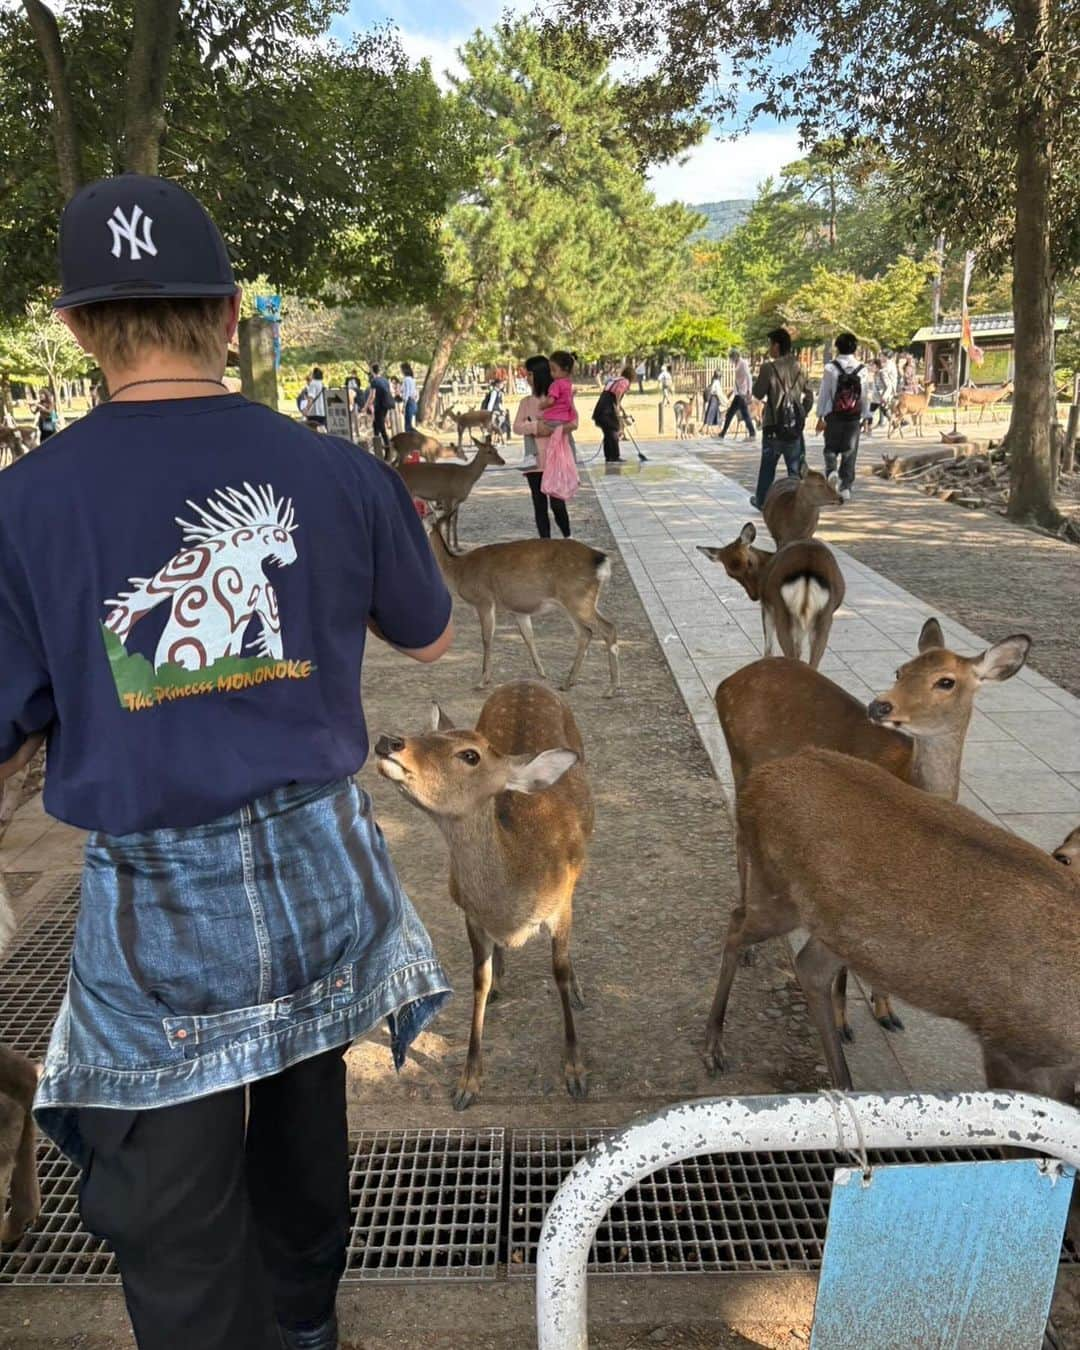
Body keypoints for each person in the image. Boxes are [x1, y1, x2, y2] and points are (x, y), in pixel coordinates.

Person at [11, 174, 454, 1350]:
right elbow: (434, 629)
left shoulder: (23, 506)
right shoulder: (342, 470)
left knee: (171, 1205)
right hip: (324, 874)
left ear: (74, 328)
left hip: (159, 907)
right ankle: (307, 1326)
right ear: (226, 312)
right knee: (306, 1118)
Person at [513, 355, 573, 538]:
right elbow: (516, 427)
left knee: (557, 503)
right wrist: (535, 427)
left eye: (529, 374)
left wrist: (552, 427)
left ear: (539, 375)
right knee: (539, 505)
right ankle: (545, 542)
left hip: (555, 461)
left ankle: (567, 538)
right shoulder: (526, 403)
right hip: (534, 463)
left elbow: (570, 424)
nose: (526, 378)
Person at [750, 327, 808, 509]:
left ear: (777, 345)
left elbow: (757, 393)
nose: (769, 349)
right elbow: (809, 395)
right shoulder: (801, 367)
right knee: (794, 469)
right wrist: (801, 413)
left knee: (768, 468)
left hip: (773, 426)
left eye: (770, 344)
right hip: (794, 427)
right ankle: (798, 503)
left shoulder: (768, 368)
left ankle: (762, 501)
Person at [816, 331, 871, 502]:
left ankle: (831, 471)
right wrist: (866, 415)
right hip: (853, 418)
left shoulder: (830, 368)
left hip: (834, 416)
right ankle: (846, 486)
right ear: (855, 348)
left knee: (830, 448)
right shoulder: (862, 370)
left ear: (837, 347)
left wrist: (820, 415)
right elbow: (865, 395)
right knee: (850, 452)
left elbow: (824, 394)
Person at [592, 364, 633, 462]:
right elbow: (617, 394)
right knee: (614, 430)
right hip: (607, 409)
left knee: (608, 433)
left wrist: (623, 411)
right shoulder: (625, 381)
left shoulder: (615, 379)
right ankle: (615, 456)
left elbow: (613, 396)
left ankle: (609, 456)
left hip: (601, 407)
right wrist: (617, 409)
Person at [719, 348, 755, 440]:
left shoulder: (743, 363)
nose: (730, 359)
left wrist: (749, 390)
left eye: (731, 357)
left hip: (742, 393)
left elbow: (748, 377)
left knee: (733, 413)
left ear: (735, 356)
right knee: (740, 413)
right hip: (738, 393)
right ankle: (752, 433)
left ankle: (723, 433)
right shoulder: (737, 363)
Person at [364, 362, 393, 458]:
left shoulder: (374, 381)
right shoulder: (385, 380)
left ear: (372, 371)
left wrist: (365, 406)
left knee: (381, 427)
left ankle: (388, 449)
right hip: (385, 406)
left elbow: (372, 396)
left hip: (379, 406)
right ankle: (378, 449)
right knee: (376, 426)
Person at [400, 362, 418, 432]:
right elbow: (415, 392)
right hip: (413, 402)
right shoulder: (412, 379)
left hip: (409, 402)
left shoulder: (406, 379)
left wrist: (404, 406)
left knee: (407, 425)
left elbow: (407, 393)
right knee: (409, 424)